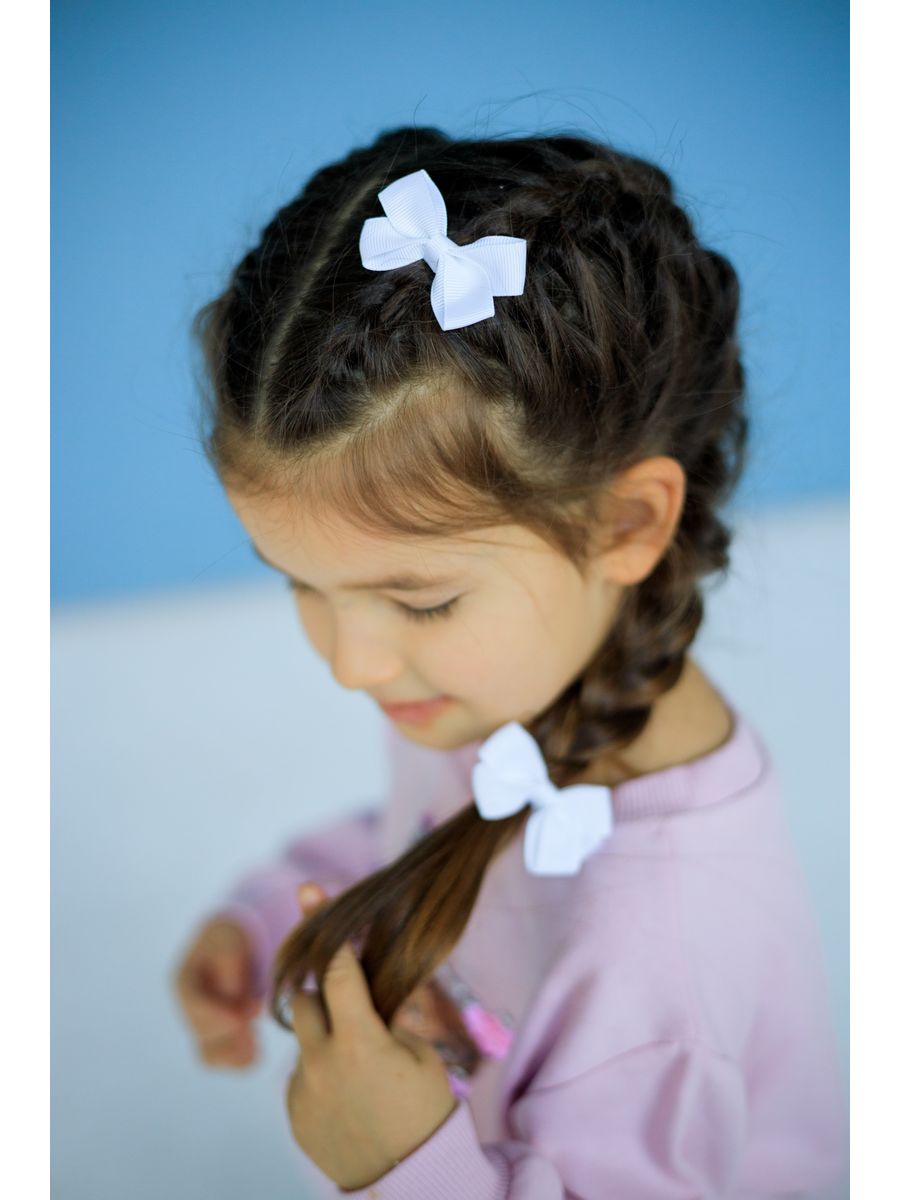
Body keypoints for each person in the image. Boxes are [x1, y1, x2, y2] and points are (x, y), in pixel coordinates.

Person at [171, 128, 847, 1198]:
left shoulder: (663, 954)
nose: (351, 662)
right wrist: (268, 918)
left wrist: (402, 1167)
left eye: (421, 600)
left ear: (627, 522)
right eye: (299, 582)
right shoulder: (487, 692)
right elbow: (430, 842)